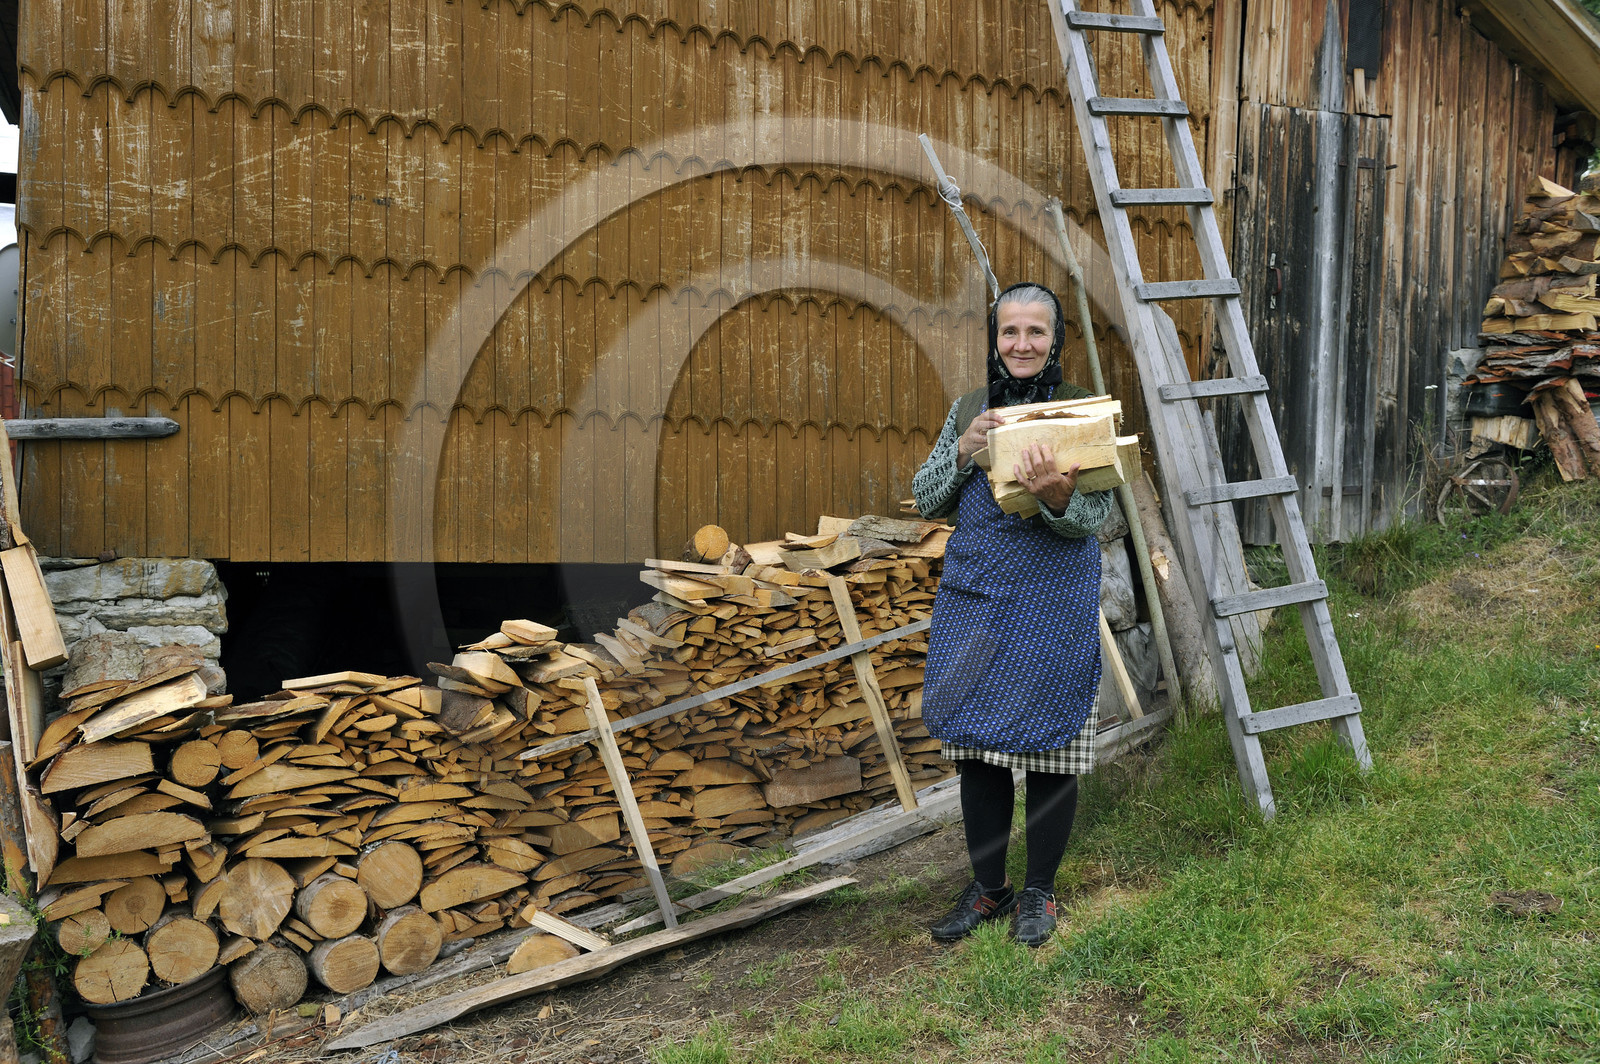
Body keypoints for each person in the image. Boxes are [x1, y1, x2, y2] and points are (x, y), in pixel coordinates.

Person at [912, 281, 1113, 947]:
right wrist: (963, 449)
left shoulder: (1081, 411)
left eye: (1035, 332)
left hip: (1054, 600)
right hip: (978, 598)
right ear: (994, 339)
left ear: (1055, 339)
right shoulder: (970, 408)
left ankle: (1039, 893)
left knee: (1053, 749)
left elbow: (1100, 516)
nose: (1021, 344)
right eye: (1009, 332)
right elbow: (925, 499)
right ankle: (989, 886)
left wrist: (1057, 497)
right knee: (975, 746)